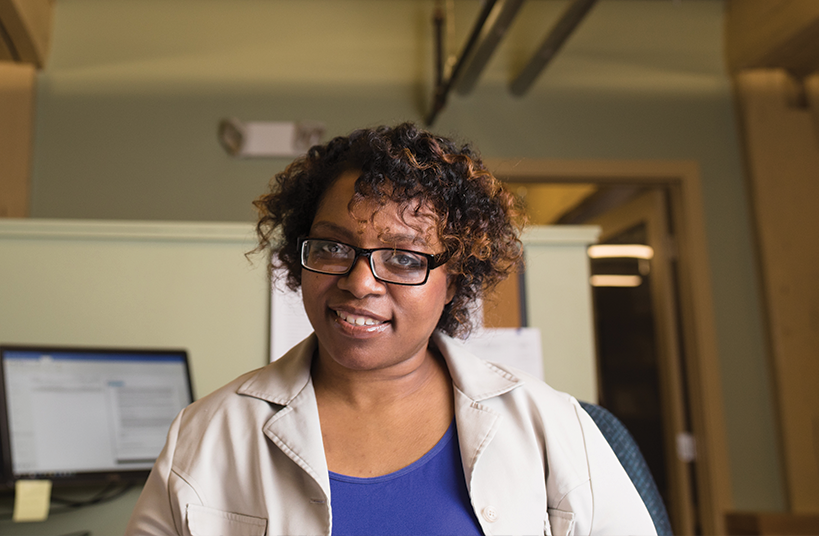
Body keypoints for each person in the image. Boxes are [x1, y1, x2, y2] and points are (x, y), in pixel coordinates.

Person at [125, 123, 657, 536]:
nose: (360, 282)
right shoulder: (204, 436)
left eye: (403, 258)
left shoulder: (552, 427)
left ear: (454, 279)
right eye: (333, 247)